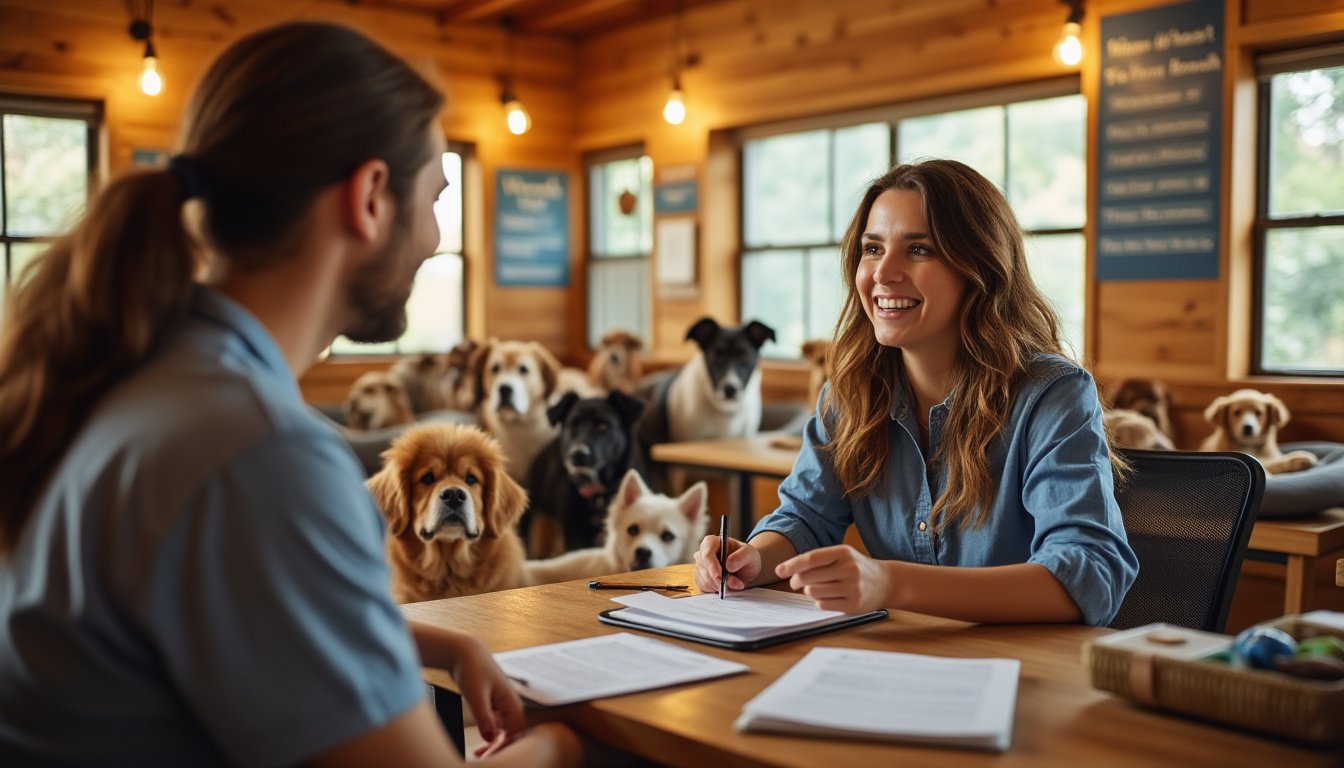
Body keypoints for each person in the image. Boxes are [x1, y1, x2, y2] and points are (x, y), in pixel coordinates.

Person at [0, 22, 579, 768]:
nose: (436, 237)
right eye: (436, 195)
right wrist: (562, 747)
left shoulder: (137, 375)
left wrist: (445, 640)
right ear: (371, 197)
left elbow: (217, 615)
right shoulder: (259, 451)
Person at [694, 159, 1138, 627]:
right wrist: (751, 561)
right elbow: (806, 517)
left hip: (1026, 674)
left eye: (919, 249)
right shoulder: (851, 391)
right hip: (900, 662)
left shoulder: (1053, 394)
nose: (884, 273)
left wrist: (891, 584)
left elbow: (1088, 576)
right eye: (872, 248)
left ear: (979, 266)